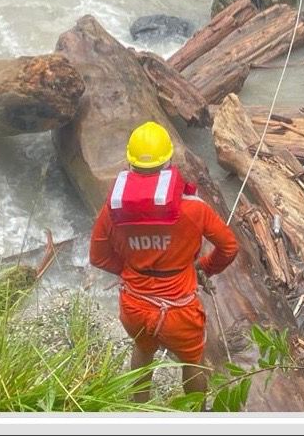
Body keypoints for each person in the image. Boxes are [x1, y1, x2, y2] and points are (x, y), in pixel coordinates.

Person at [88, 120, 239, 407]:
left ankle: (139, 410)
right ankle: (195, 413)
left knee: (143, 353)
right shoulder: (194, 208)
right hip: (179, 312)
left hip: (135, 307)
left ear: (129, 163)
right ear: (169, 161)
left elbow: (97, 257)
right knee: (193, 361)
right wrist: (204, 268)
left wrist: (130, 270)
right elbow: (229, 247)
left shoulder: (113, 210)